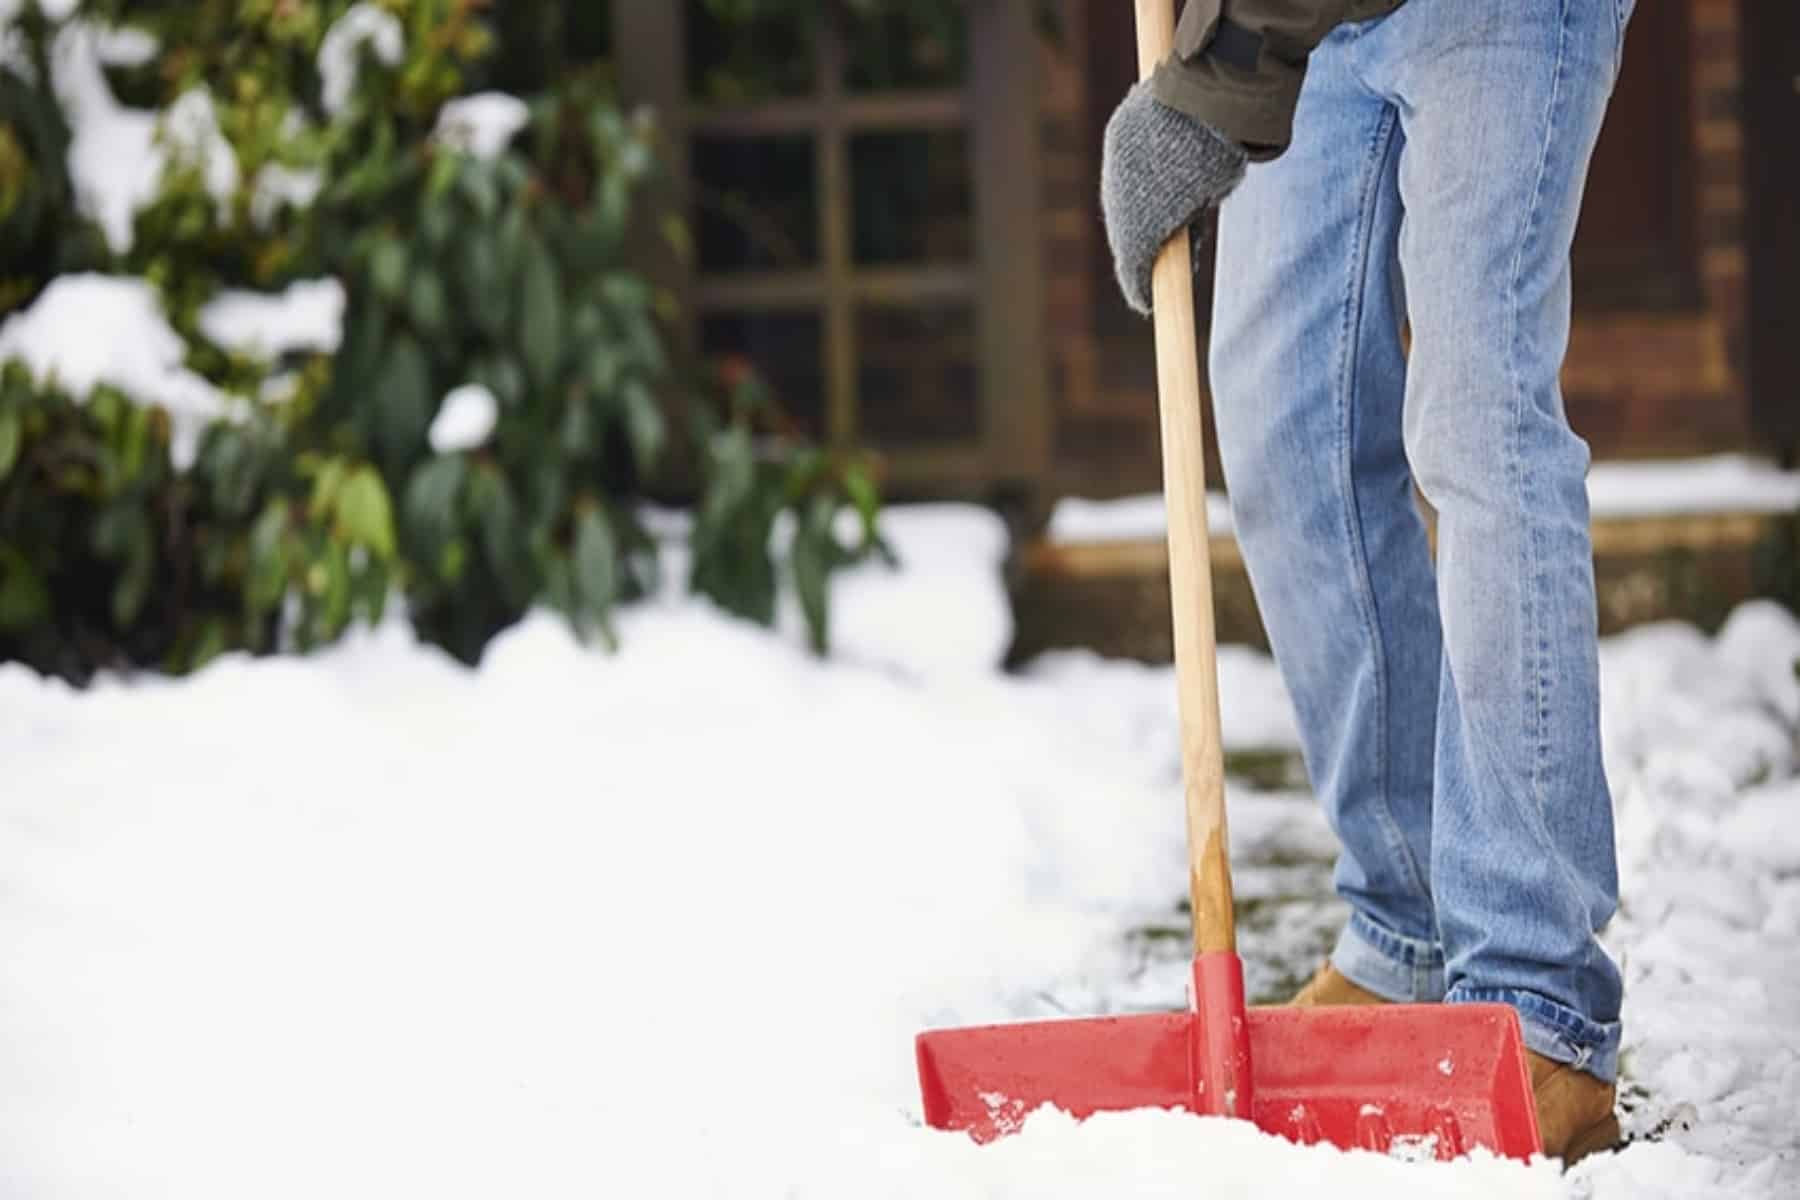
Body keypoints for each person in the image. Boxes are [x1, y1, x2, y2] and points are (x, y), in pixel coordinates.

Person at [1100, 0, 1634, 1164]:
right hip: (1308, 28)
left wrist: (1209, 78)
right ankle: (1409, 931)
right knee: (1282, 418)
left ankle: (1535, 1001)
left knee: (1477, 420)